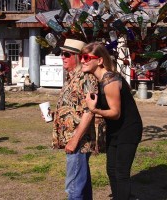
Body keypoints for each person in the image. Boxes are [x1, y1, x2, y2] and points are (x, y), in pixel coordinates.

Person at [81, 42, 143, 200]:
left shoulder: (110, 80)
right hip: (115, 129)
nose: (82, 60)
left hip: (128, 129)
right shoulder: (99, 80)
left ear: (100, 60)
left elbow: (115, 113)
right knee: (111, 169)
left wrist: (94, 110)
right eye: (81, 57)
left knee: (121, 172)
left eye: (87, 57)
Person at [51, 39, 100, 200]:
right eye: (61, 54)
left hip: (79, 141)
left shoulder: (86, 78)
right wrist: (55, 115)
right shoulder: (71, 77)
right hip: (72, 138)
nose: (62, 57)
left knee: (74, 187)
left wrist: (74, 140)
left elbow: (89, 111)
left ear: (78, 57)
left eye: (66, 54)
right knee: (81, 185)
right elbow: (74, 107)